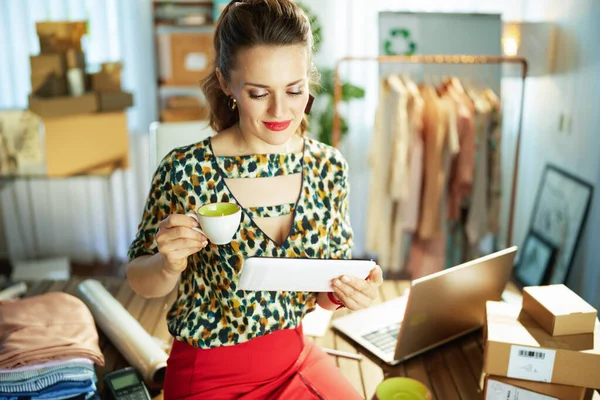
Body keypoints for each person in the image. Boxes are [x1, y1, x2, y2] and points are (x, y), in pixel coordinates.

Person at [126, 0, 383, 398]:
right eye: (259, 93)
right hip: (208, 372)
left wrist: (345, 293)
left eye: (295, 90)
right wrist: (167, 262)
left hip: (294, 359)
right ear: (227, 84)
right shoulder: (185, 170)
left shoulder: (328, 168)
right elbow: (140, 281)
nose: (281, 111)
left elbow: (322, 292)